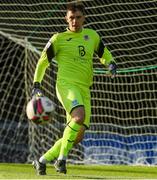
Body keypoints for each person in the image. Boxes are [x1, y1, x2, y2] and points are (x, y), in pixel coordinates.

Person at [32, 1, 117, 175]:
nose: (74, 21)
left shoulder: (92, 36)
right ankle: (61, 160)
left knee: (77, 136)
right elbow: (42, 62)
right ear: (66, 18)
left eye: (78, 17)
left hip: (85, 89)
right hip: (66, 86)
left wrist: (111, 64)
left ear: (84, 18)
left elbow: (104, 54)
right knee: (78, 116)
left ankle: (42, 160)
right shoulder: (58, 39)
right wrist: (36, 84)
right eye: (71, 18)